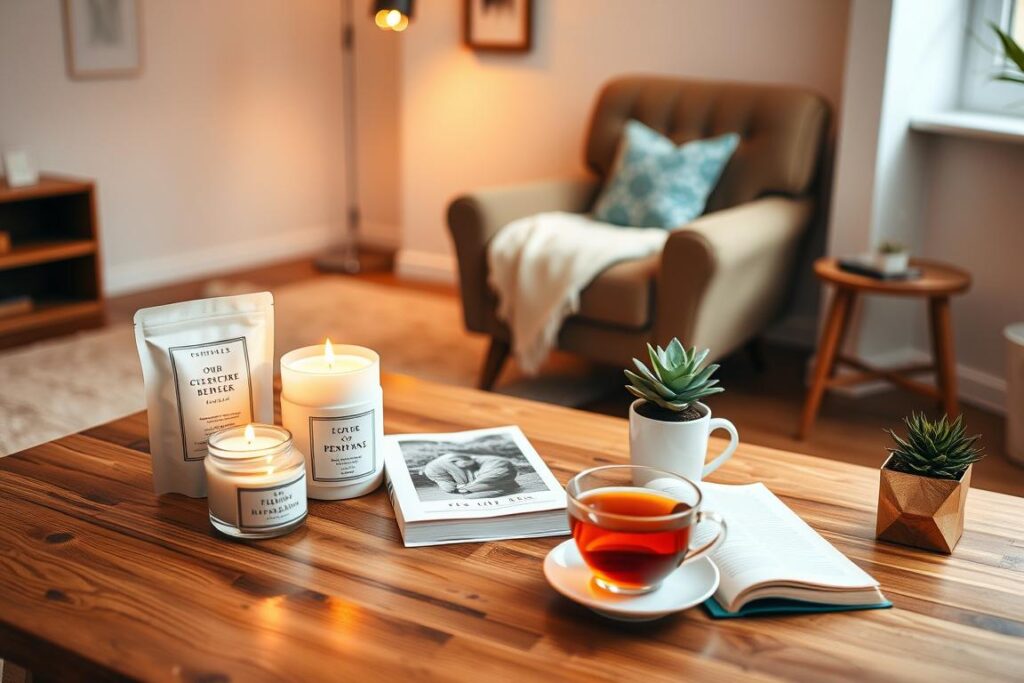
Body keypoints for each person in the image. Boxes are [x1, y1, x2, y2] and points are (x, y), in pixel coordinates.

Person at [422, 453, 520, 498]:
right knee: (484, 480)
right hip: (500, 468)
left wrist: (465, 487)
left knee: (481, 481)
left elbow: (464, 468)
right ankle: (508, 487)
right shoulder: (447, 461)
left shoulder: (448, 461)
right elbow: (463, 467)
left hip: (495, 467)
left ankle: (467, 489)